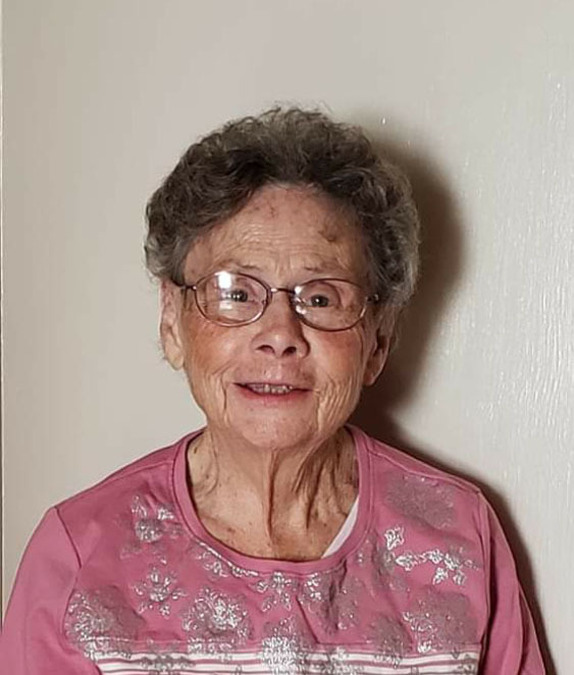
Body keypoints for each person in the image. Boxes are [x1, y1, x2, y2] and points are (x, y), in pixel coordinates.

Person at [0, 108, 545, 674]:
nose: (280, 335)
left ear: (378, 339)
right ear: (172, 322)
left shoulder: (459, 537)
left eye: (321, 297)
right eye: (236, 293)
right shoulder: (82, 557)